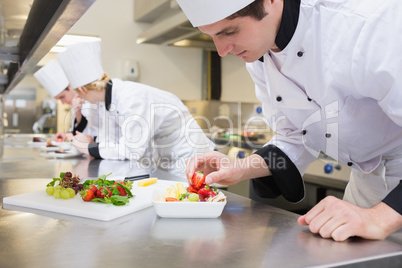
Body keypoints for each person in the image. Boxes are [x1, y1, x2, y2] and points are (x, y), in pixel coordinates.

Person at [177, 0, 402, 241]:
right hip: (366, 187)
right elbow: (296, 135)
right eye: (211, 35)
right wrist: (242, 168)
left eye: (230, 31)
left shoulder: (368, 24)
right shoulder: (260, 55)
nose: (222, 50)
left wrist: (380, 218)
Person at [57, 41, 215, 178]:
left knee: (187, 199)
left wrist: (89, 148)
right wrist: (91, 145)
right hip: (165, 152)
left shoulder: (132, 99)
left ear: (83, 90)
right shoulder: (110, 100)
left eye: (78, 94)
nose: (80, 100)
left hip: (187, 151)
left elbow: (131, 150)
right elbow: (116, 142)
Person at [34, 59, 100, 141]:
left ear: (70, 86)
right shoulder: (75, 103)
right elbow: (79, 131)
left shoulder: (93, 101)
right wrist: (67, 135)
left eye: (62, 97)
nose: (62, 102)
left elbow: (91, 134)